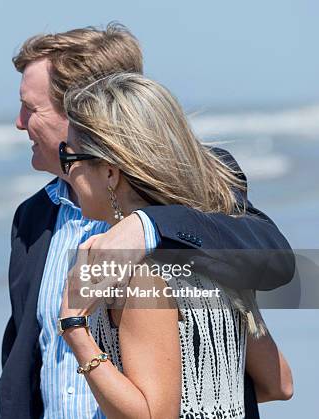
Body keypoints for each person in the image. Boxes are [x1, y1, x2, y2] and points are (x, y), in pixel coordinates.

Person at [0, 23, 295, 419]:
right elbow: (23, 362)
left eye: (31, 108)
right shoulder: (32, 217)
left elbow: (276, 260)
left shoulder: (203, 184)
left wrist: (149, 225)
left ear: (86, 108)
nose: (19, 123)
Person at [56, 72, 293, 418]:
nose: (65, 174)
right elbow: (279, 383)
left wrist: (74, 328)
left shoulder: (138, 270)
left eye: (69, 158)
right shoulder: (211, 257)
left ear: (110, 173)